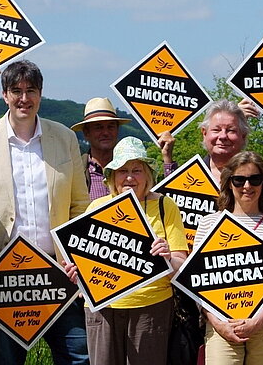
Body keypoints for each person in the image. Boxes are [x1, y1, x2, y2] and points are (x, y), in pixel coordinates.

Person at [0, 60, 90, 365]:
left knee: (79, 356)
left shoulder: (65, 137)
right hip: (2, 277)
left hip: (60, 272)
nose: (24, 98)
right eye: (16, 90)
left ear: (41, 94)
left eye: (31, 90)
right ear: (4, 95)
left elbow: (79, 206)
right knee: (7, 360)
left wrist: (76, 258)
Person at [64, 136, 188, 365]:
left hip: (151, 310)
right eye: (122, 170)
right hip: (102, 310)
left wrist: (168, 258)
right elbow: (82, 264)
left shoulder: (164, 206)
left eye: (137, 170)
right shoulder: (96, 208)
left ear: (148, 175)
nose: (129, 177)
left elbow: (182, 267)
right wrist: (76, 273)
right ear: (112, 177)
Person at [194, 151, 263, 364]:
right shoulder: (208, 224)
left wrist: (257, 321)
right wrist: (218, 323)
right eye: (239, 179)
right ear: (229, 183)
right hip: (221, 325)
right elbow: (199, 282)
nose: (247, 186)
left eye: (254, 179)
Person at [70, 97, 176, 200]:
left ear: (117, 130)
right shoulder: (75, 171)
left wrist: (167, 158)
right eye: (98, 127)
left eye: (110, 126)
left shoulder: (137, 166)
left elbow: (165, 201)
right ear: (86, 133)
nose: (105, 132)